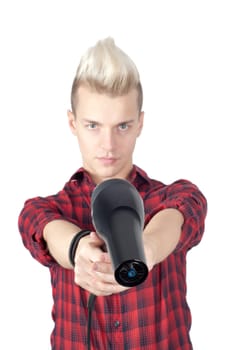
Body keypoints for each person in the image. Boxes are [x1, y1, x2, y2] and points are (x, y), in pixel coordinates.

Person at [18, 37, 207, 350]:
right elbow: (37, 224)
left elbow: (185, 210)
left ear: (139, 125)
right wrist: (78, 248)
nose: (108, 144)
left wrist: (147, 248)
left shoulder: (172, 197)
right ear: (73, 123)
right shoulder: (51, 208)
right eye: (93, 125)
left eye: (122, 126)